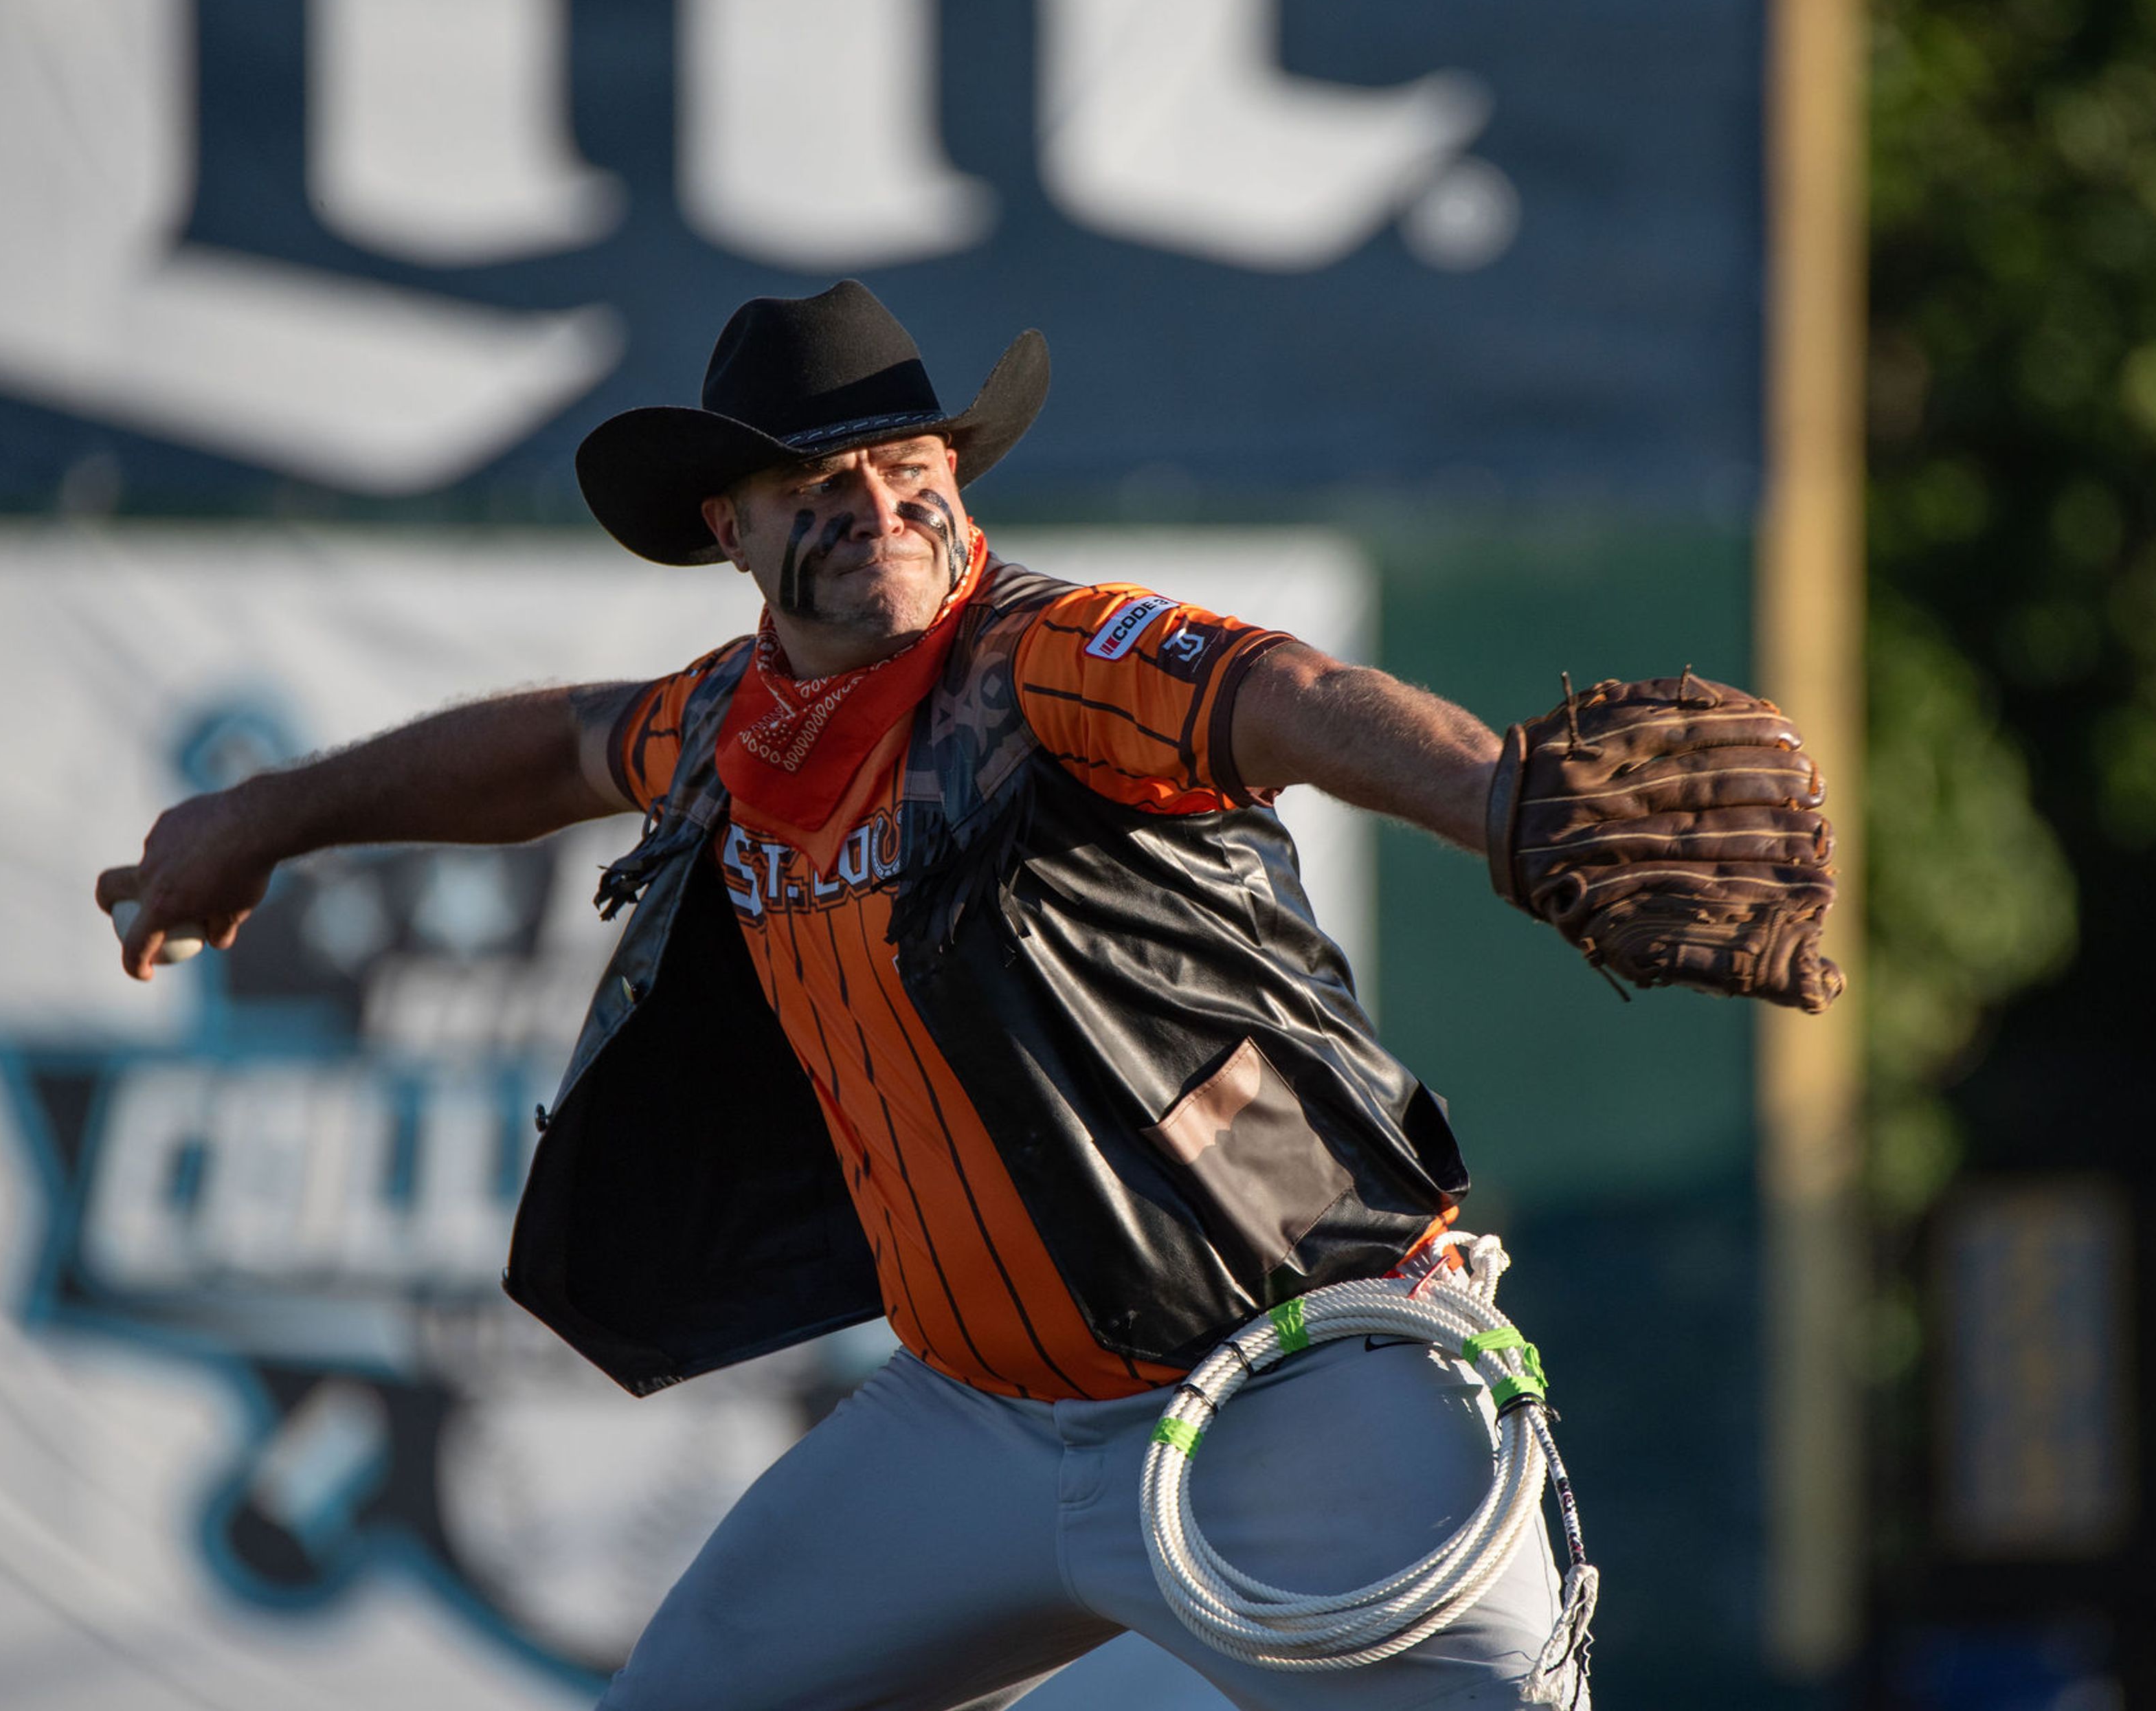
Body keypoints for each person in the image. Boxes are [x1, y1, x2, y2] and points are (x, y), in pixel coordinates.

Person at [97, 281, 1586, 1709]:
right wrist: (263, 820)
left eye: (906, 463)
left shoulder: (1050, 661)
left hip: (1292, 1382)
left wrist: (1504, 796)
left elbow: (1295, 699)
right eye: (817, 482)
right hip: (980, 1424)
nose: (877, 506)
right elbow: (561, 745)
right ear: (728, 529)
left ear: (959, 475)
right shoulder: (729, 729)